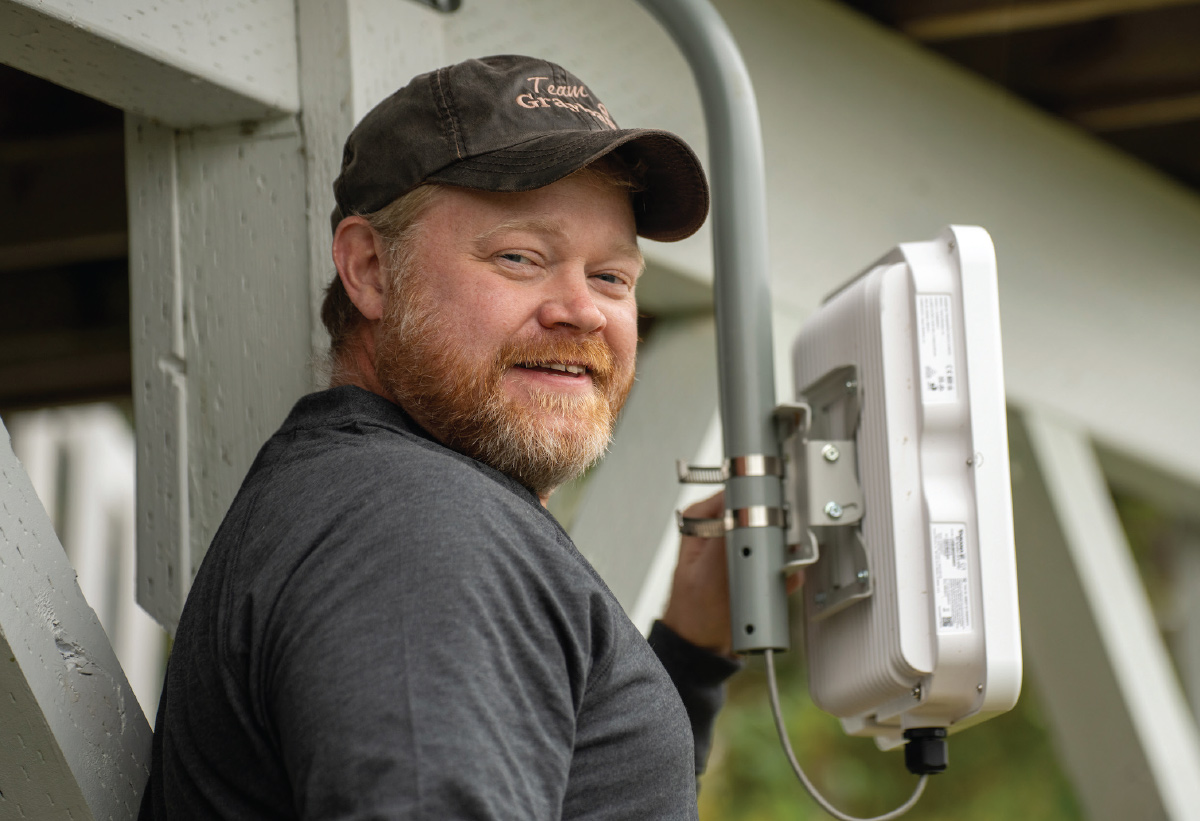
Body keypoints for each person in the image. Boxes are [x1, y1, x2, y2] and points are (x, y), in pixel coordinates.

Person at [140, 54, 738, 820]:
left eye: (612, 277)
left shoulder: (399, 511)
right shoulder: (413, 522)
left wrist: (691, 653)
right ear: (370, 270)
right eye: (520, 257)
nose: (583, 311)